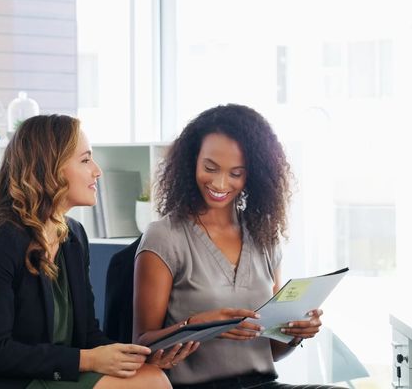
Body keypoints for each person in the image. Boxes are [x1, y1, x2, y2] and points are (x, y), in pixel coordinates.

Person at [0, 114, 171, 389]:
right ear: (49, 169)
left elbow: (88, 335)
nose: (97, 171)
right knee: (151, 384)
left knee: (150, 375)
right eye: (85, 160)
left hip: (49, 372)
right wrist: (89, 360)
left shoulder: (72, 236)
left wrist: (135, 358)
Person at [134, 104, 340, 389]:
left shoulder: (265, 238)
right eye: (210, 168)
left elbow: (272, 351)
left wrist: (295, 333)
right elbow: (142, 346)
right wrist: (199, 325)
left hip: (263, 384)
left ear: (252, 175)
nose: (220, 183)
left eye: (236, 173)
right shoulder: (164, 237)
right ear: (192, 161)